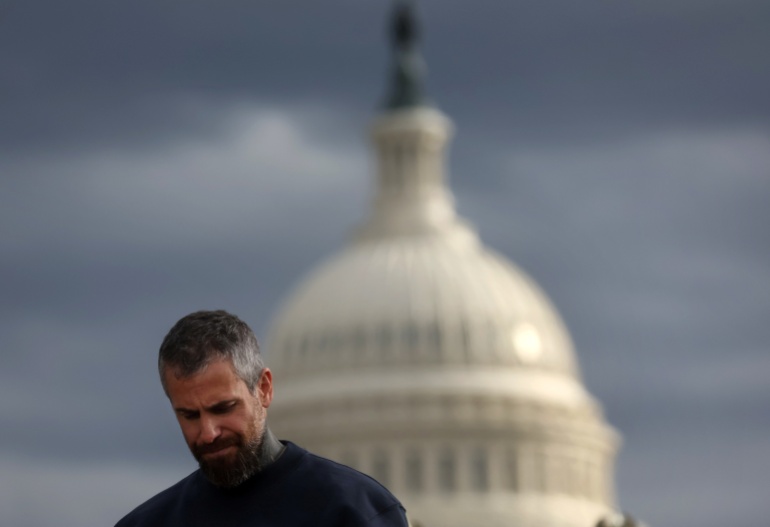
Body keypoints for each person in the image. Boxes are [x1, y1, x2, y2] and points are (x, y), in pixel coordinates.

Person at [115, 310, 409, 527]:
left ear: (264, 389)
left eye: (223, 408)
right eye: (189, 415)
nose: (208, 433)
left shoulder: (355, 511)